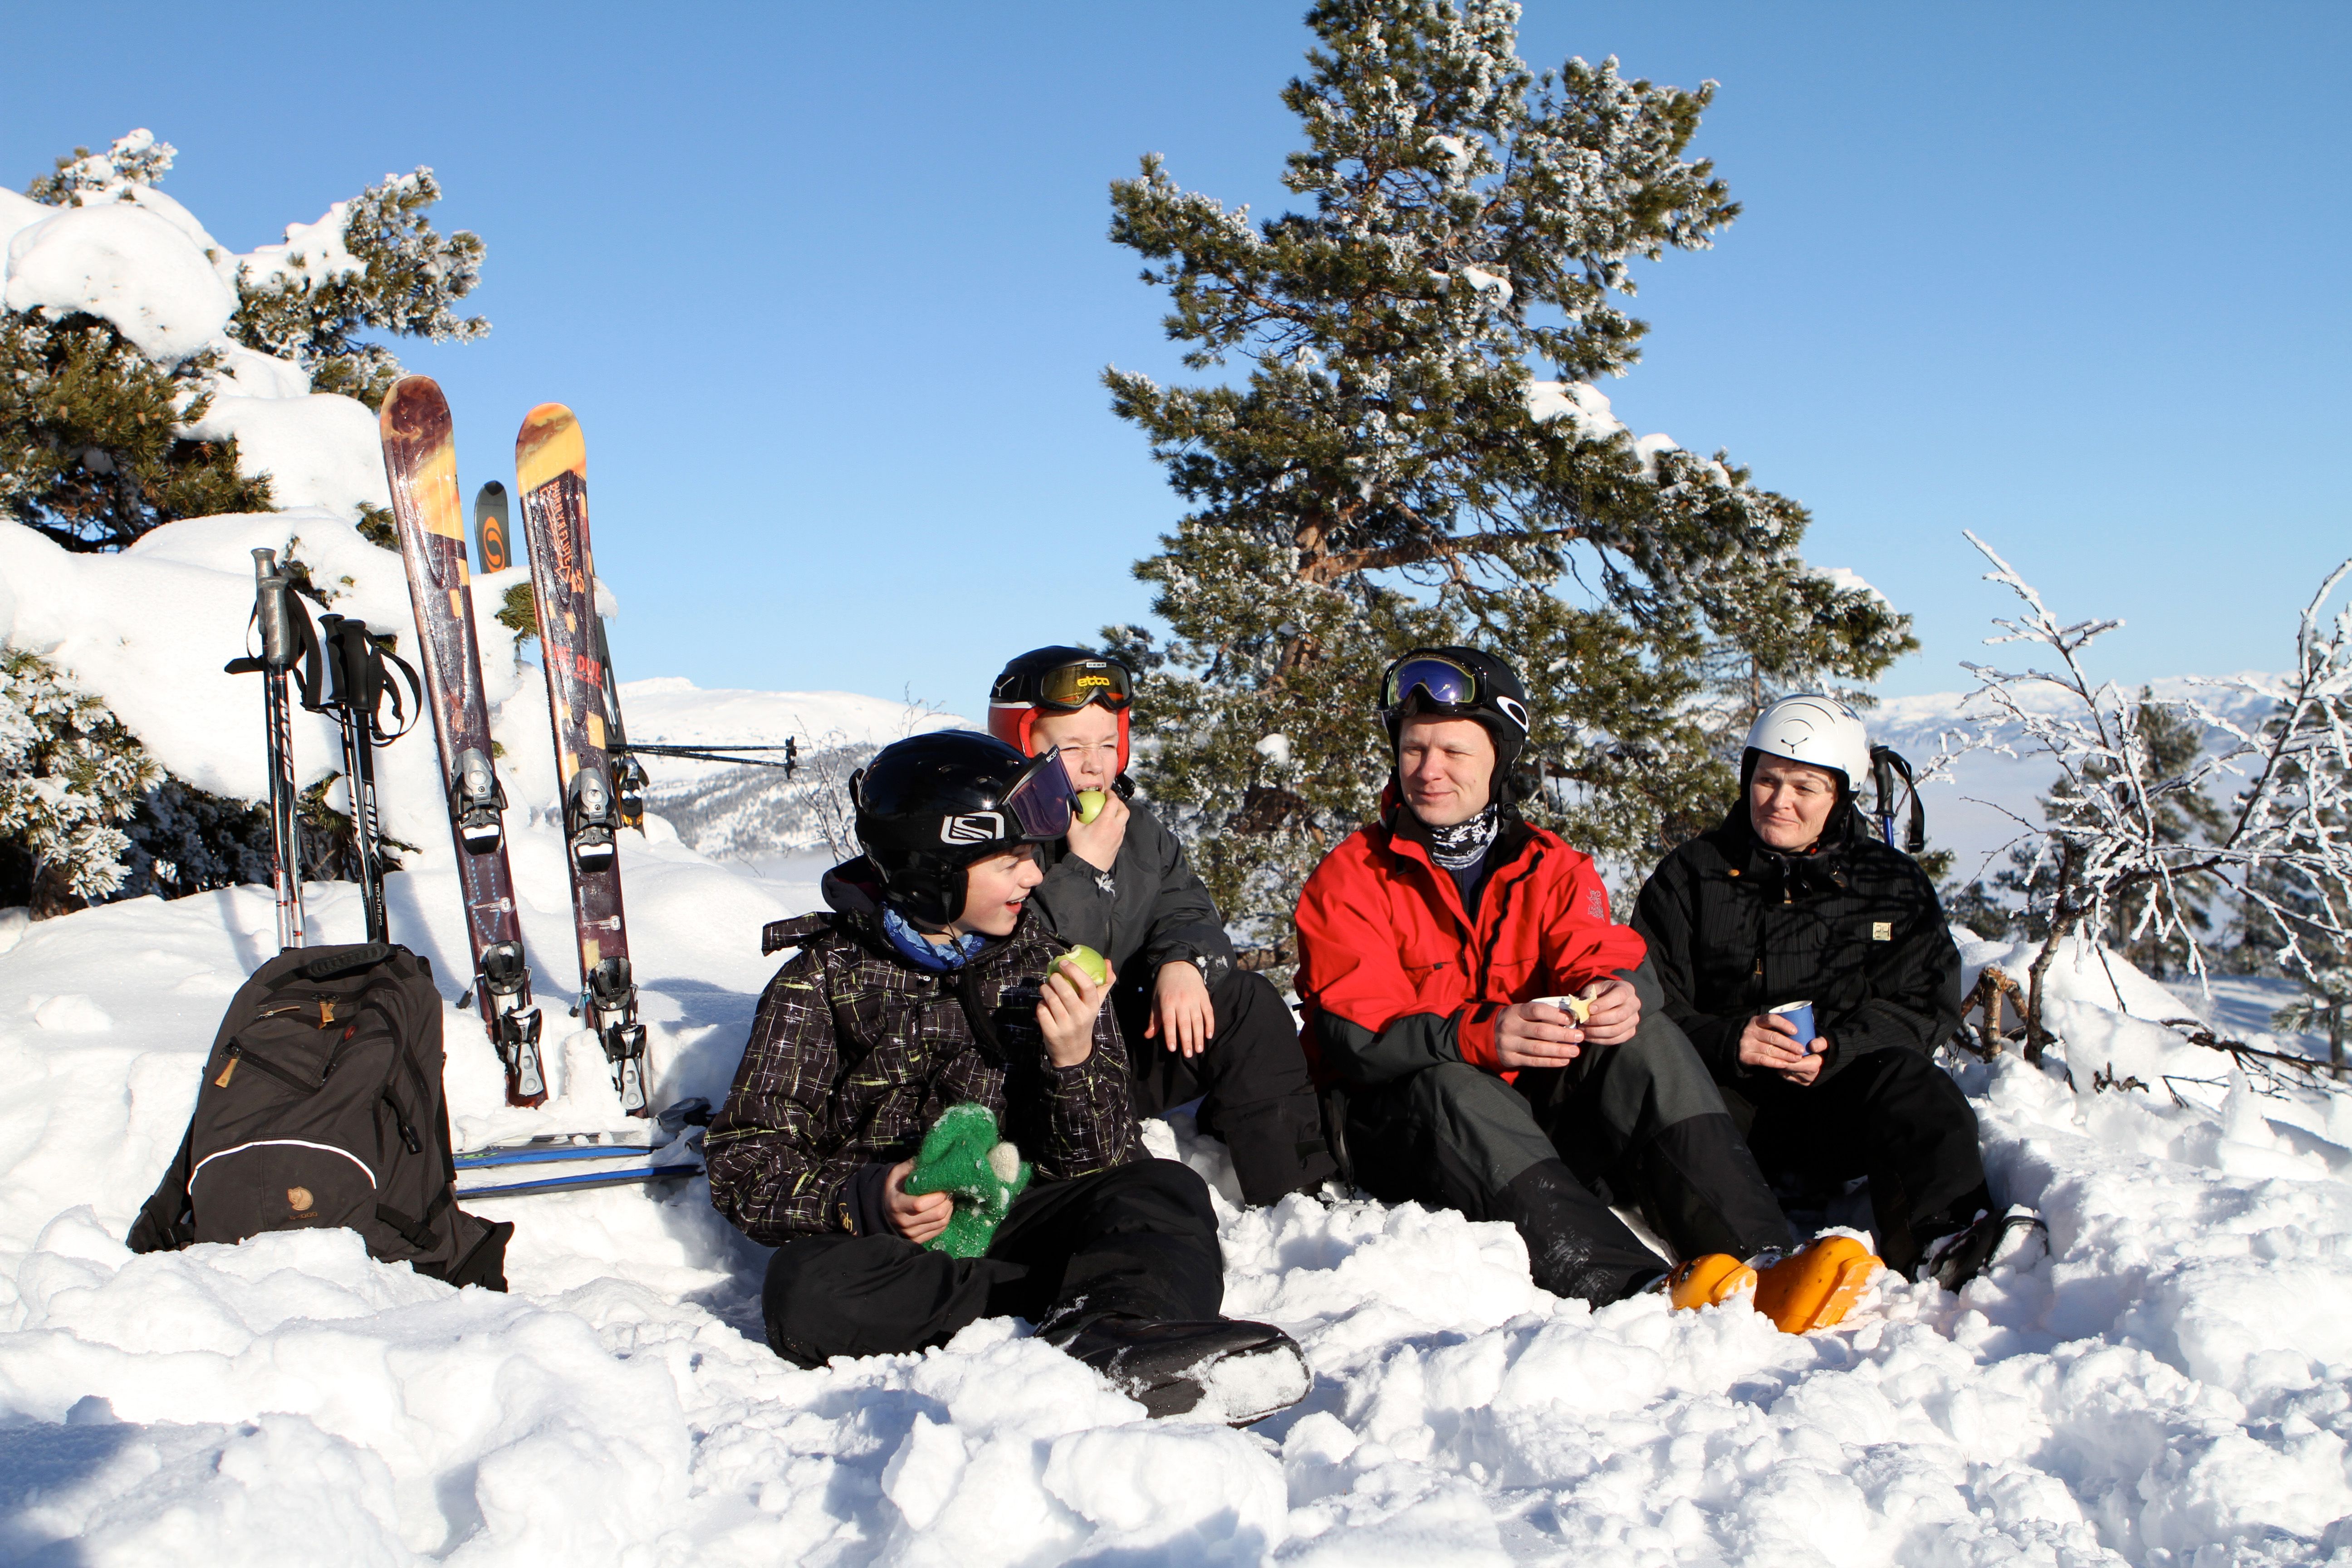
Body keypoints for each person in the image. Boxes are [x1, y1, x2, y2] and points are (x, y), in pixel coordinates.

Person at [704, 730, 1309, 1421]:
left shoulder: (1043, 960)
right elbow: (744, 1162)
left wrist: (1074, 1058)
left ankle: (1125, 1331)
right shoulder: (820, 983)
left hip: (1020, 1211)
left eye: (1034, 856)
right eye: (1009, 860)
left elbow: (1104, 1163)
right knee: (802, 1289)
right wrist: (867, 1198)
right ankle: (1084, 1314)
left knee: (1162, 1190)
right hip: (896, 1249)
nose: (1034, 876)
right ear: (932, 867)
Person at [1293, 648, 1879, 1332]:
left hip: (1527, 1119)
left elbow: (1604, 952)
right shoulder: (1353, 875)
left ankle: (1764, 1256)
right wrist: (1479, 1034)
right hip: (1403, 1124)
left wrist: (1619, 989)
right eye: (1414, 749)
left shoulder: (1549, 864)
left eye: (1454, 750)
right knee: (1453, 1080)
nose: (1428, 771)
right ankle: (1632, 1291)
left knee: (1644, 1033)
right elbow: (1355, 1036)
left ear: (1500, 758)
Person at [1632, 694, 2023, 1289]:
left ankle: (1942, 1236)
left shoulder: (1888, 884)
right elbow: (1651, 1004)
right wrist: (1731, 1041)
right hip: (1723, 1107)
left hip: (1841, 1104)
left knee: (1917, 1085)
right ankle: (1737, 1262)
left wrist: (1840, 1050)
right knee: (1656, 1104)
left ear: (1839, 795)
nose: (1778, 801)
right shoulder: (1691, 877)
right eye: (1766, 780)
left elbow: (1925, 1000)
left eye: (1803, 787)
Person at [989, 647, 1336, 1205]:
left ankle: (1293, 1187)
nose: (1095, 765)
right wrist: (1082, 870)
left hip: (1132, 1046)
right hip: (1051, 1073)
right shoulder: (1001, 844)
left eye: (1107, 744)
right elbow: (1023, 962)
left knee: (1246, 1001)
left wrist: (1183, 962)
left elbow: (1187, 907)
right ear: (1023, 746)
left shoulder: (1138, 829)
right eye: (1072, 747)